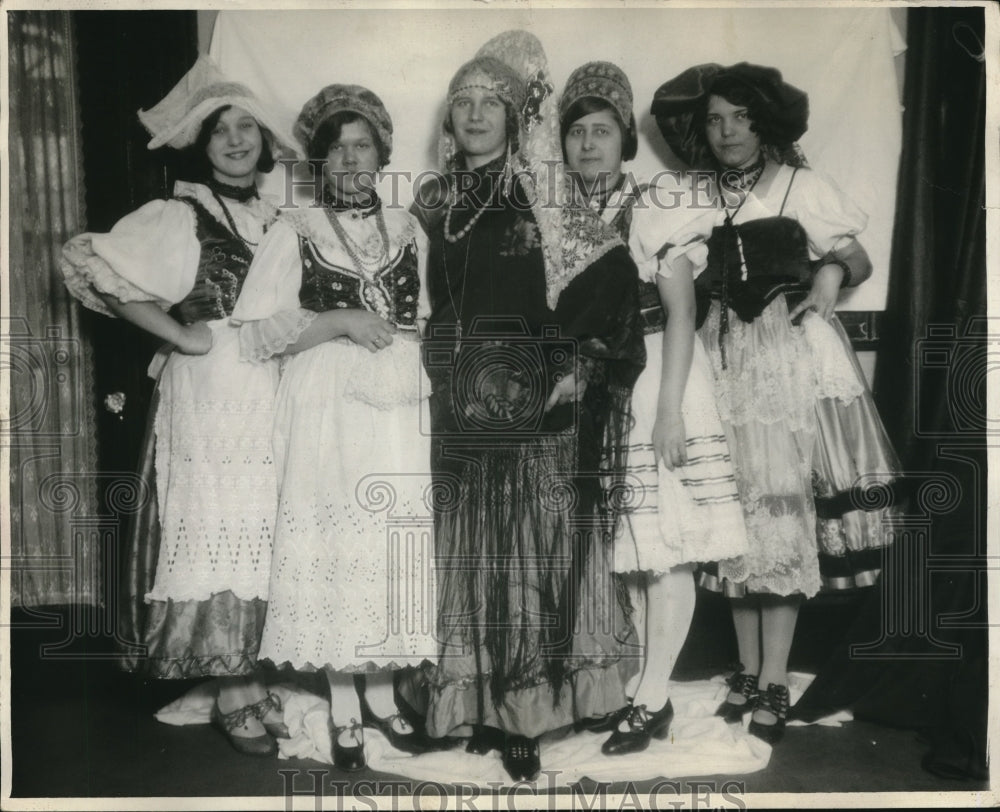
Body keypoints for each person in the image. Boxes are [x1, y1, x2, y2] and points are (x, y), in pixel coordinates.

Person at [413, 32, 645, 782]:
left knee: (521, 558)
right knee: (469, 555)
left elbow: (613, 276)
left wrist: (570, 365)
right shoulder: (432, 201)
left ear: (515, 119)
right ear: (448, 120)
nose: (476, 115)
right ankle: (468, 702)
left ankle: (523, 717)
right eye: (463, 103)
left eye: (491, 103)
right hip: (459, 404)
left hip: (533, 404)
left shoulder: (543, 190)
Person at [647, 62, 900, 744]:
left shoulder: (800, 185)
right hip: (719, 359)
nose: (727, 131)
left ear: (765, 124)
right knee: (734, 519)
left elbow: (857, 256)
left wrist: (828, 273)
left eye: (740, 118)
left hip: (783, 362)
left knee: (779, 514)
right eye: (716, 120)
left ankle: (779, 680)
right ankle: (752, 673)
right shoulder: (696, 196)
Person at [60, 56, 297, 756]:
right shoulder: (179, 211)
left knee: (264, 525)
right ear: (200, 142)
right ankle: (229, 689)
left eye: (245, 127)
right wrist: (179, 333)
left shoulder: (279, 218)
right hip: (213, 388)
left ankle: (248, 674)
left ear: (263, 140)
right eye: (219, 129)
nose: (233, 139)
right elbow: (92, 267)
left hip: (273, 387)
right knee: (216, 521)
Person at [230, 84, 438, 771]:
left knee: (387, 542)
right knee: (333, 539)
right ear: (318, 159)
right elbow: (261, 332)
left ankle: (381, 693)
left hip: (397, 406)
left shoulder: (410, 229)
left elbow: (423, 318)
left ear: (381, 154)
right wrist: (343, 321)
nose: (349, 156)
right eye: (336, 146)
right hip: (325, 400)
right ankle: (346, 704)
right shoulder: (295, 227)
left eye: (362, 145)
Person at [560, 62, 748, 755]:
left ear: (623, 141)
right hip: (608, 388)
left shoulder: (655, 204)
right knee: (635, 552)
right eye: (576, 132)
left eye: (602, 131)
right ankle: (648, 688)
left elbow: (681, 313)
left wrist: (669, 411)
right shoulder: (564, 215)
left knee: (669, 551)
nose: (588, 145)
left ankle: (655, 695)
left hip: (661, 380)